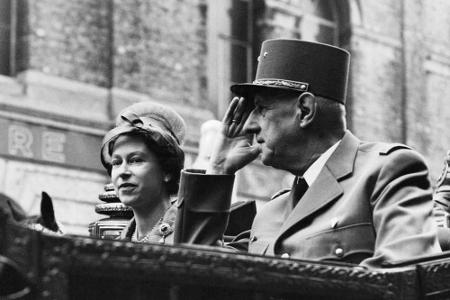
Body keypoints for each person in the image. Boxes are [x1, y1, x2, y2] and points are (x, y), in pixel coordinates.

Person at [175, 39, 441, 268]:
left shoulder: (386, 172)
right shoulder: (270, 213)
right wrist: (219, 168)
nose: (248, 125)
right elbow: (195, 269)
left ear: (305, 110)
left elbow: (404, 277)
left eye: (261, 109)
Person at [101, 101, 185, 244]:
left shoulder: (187, 233)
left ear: (167, 171)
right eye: (116, 163)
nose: (123, 172)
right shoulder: (116, 244)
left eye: (136, 160)